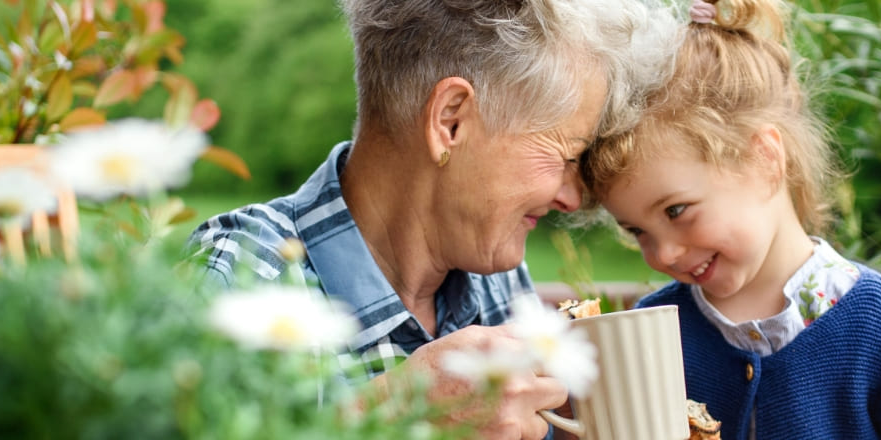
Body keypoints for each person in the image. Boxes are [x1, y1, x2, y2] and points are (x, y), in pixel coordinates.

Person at [188, 0, 678, 438]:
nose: (572, 197)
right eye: (566, 155)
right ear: (451, 121)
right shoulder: (239, 276)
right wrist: (394, 416)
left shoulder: (496, 278)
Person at [576, 0, 881, 438]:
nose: (662, 252)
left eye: (676, 211)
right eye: (637, 231)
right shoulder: (658, 329)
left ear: (764, 160)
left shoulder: (874, 322)